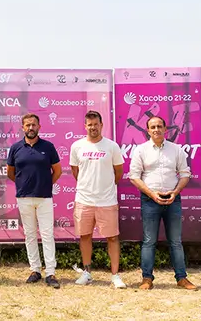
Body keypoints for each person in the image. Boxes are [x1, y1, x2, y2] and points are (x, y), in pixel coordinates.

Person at [128, 116, 197, 290]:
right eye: (153, 127)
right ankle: (147, 279)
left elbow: (185, 174)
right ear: (148, 130)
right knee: (149, 241)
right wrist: (151, 194)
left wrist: (175, 192)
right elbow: (134, 176)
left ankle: (181, 278)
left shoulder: (176, 150)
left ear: (166, 129)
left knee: (175, 241)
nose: (156, 129)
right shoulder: (141, 150)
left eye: (159, 126)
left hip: (173, 199)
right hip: (150, 200)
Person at [69, 110, 126, 289]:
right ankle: (87, 272)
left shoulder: (112, 146)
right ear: (85, 126)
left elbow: (119, 172)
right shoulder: (77, 146)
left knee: (112, 238)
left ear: (102, 125)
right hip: (84, 200)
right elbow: (75, 171)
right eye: (89, 124)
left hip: (107, 200)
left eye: (96, 124)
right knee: (85, 236)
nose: (93, 127)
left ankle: (115, 275)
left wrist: (105, 186)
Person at [7, 113, 62, 289]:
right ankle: (35, 270)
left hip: (44, 197)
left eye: (34, 125)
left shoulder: (48, 146)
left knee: (47, 235)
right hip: (24, 197)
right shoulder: (15, 148)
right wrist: (25, 185)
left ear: (39, 127)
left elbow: (57, 171)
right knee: (30, 235)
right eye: (27, 125)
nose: (31, 128)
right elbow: (11, 172)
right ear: (22, 127)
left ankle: (51, 272)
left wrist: (45, 184)